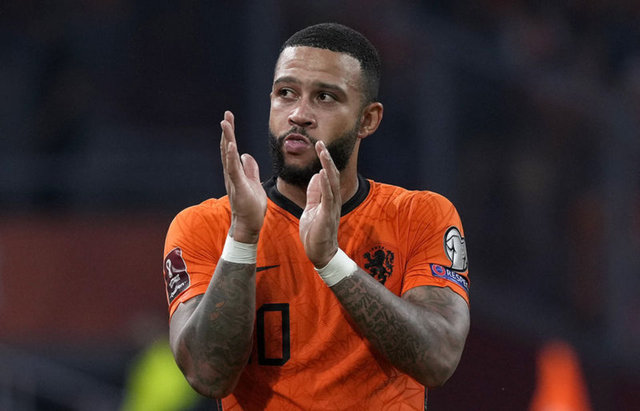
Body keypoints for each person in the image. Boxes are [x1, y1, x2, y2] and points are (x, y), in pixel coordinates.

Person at [163, 22, 470, 410]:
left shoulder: (419, 216)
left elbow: (438, 359)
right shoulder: (207, 225)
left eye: (325, 97)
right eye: (286, 93)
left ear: (368, 120)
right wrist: (243, 238)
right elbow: (207, 376)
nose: (299, 114)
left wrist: (332, 262)